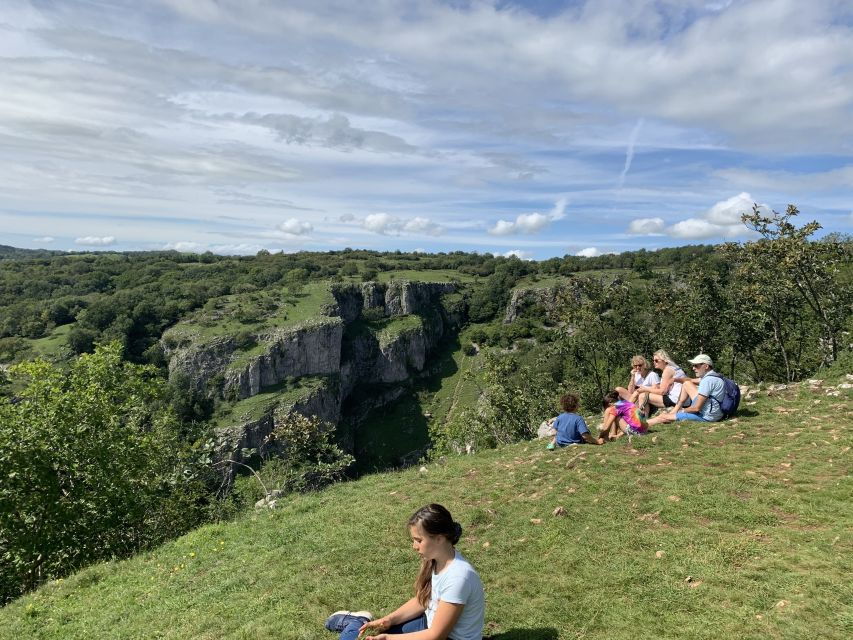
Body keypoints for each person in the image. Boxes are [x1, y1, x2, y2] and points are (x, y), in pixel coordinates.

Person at [324, 503, 485, 640]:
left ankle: (356, 622)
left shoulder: (458, 577)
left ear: (439, 538)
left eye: (419, 540)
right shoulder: (436, 560)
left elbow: (436, 635)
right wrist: (389, 620)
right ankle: (358, 622)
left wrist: (389, 638)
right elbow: (423, 600)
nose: (414, 546)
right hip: (427, 625)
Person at [647, 354, 726, 425]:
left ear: (706, 366)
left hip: (706, 416)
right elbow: (690, 380)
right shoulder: (713, 376)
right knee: (686, 383)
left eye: (696, 366)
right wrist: (675, 379)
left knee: (663, 416)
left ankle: (642, 426)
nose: (693, 368)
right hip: (714, 411)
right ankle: (675, 410)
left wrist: (682, 411)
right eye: (693, 366)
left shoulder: (707, 381)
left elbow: (696, 408)